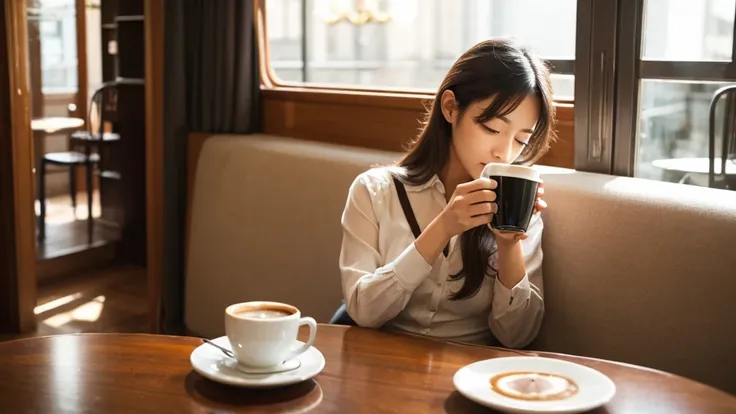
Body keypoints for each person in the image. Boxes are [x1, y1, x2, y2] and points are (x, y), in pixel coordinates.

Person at [336, 38, 555, 349]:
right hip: (382, 366)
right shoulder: (375, 191)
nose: (504, 153)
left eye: (520, 140)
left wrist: (509, 246)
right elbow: (363, 311)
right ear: (451, 108)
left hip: (471, 374)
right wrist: (443, 227)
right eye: (492, 128)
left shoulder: (521, 206)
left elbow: (516, 337)